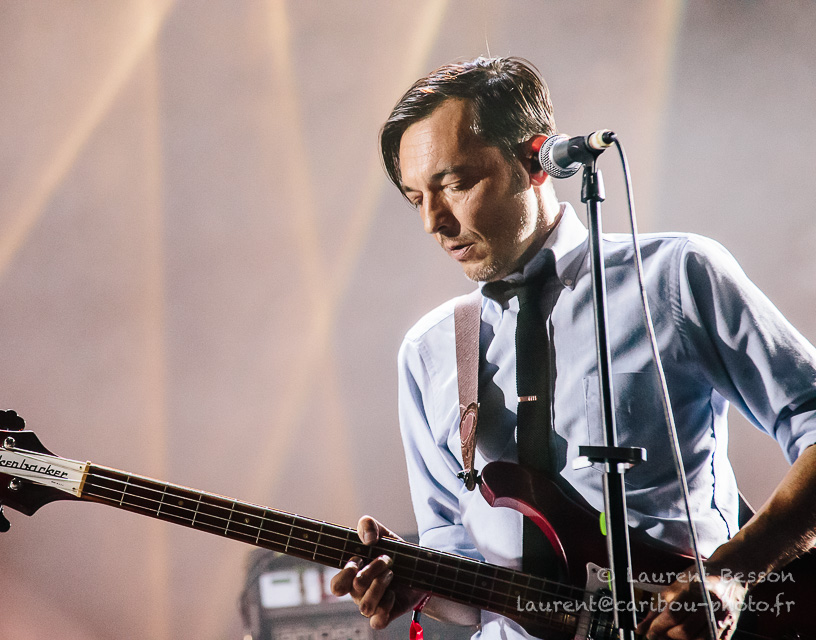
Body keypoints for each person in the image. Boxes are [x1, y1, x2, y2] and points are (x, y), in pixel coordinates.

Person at [330, 56, 816, 640]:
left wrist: (731, 573)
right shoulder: (428, 351)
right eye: (416, 198)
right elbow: (459, 562)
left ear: (535, 161)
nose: (435, 220)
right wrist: (417, 583)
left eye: (455, 185)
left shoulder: (675, 277)